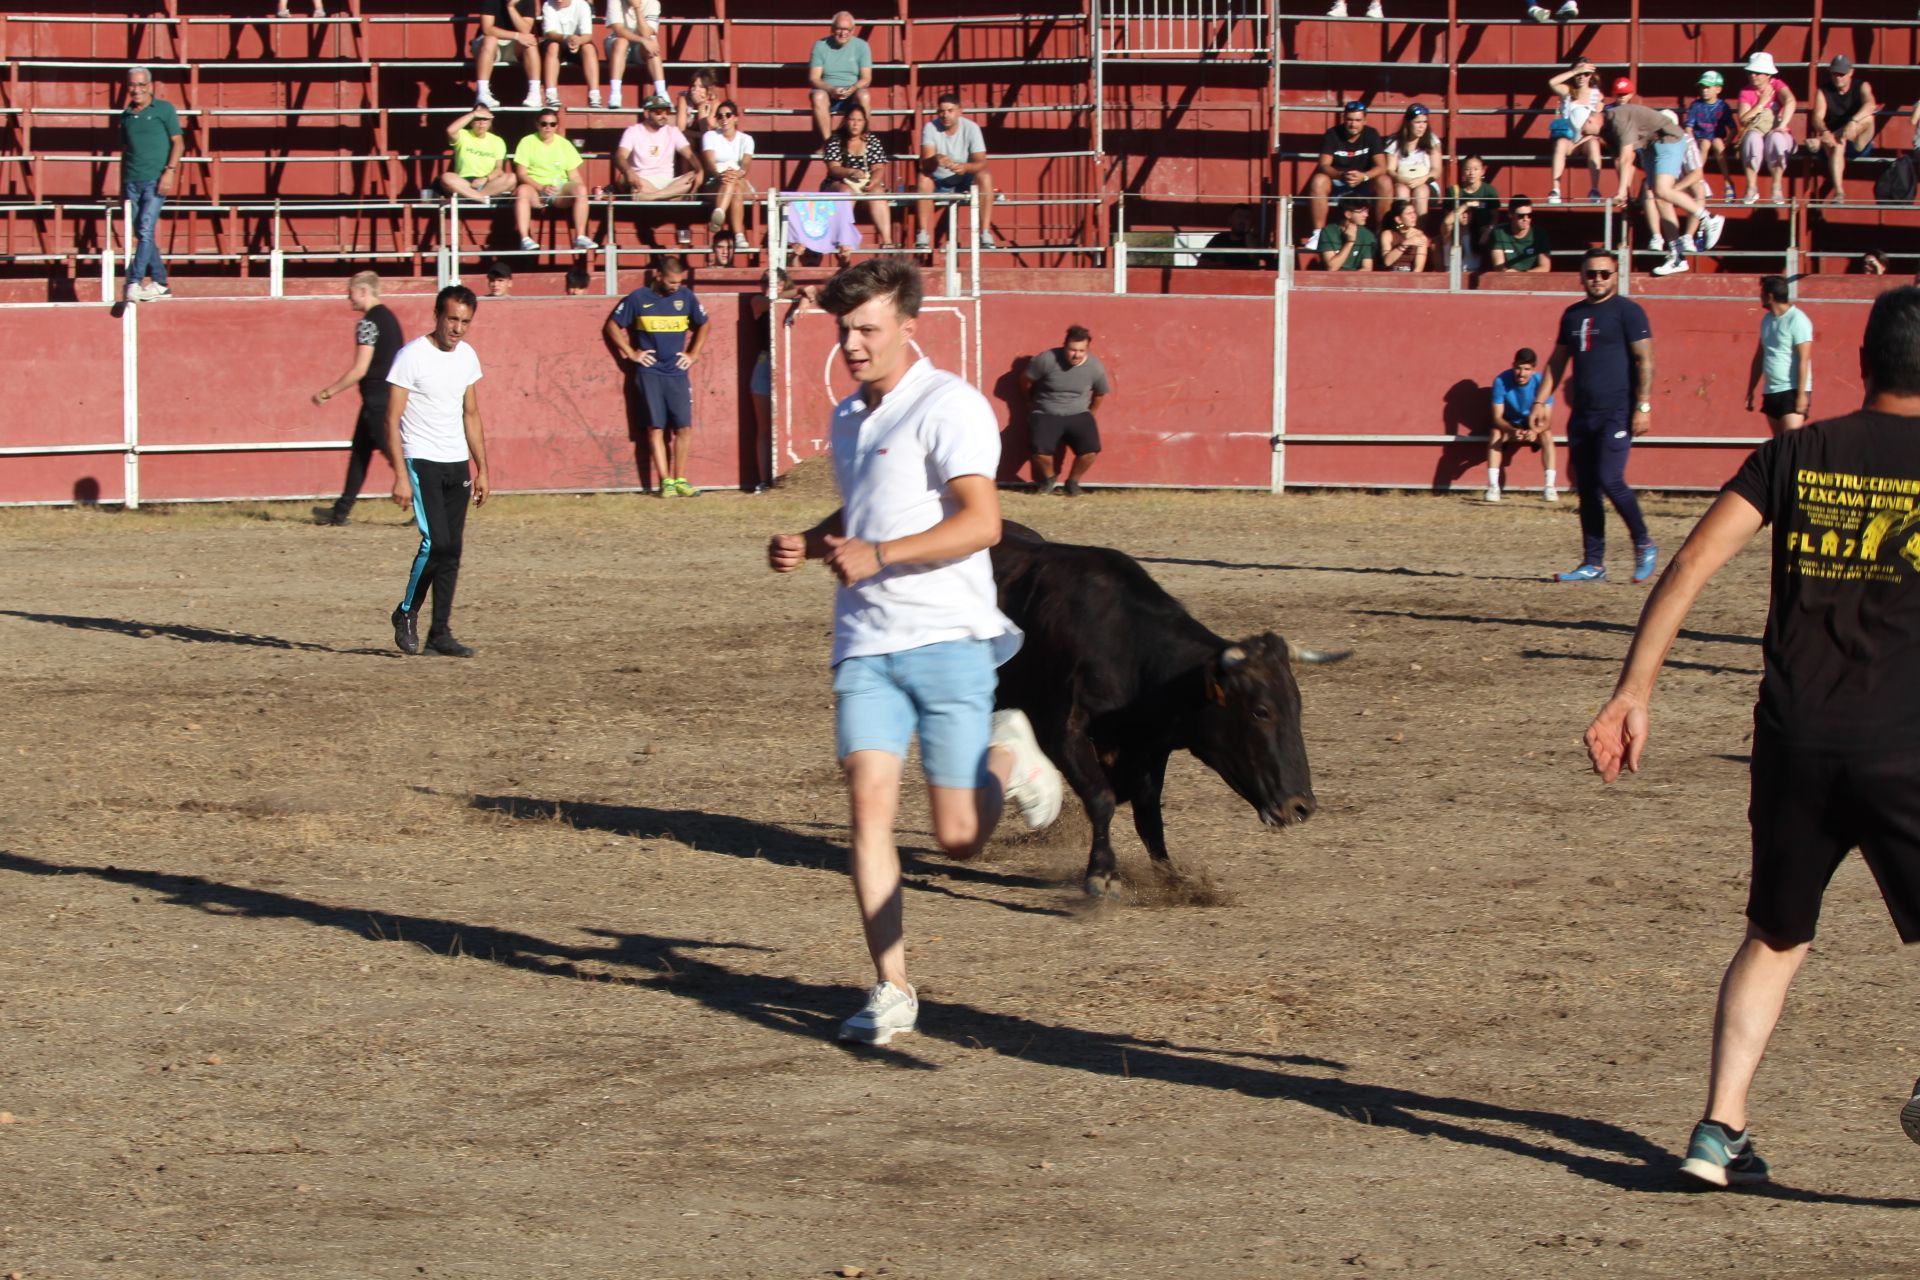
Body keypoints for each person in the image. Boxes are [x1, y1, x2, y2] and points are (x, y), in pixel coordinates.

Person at [1584, 286, 1920, 1191]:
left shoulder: (1798, 452)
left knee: (1775, 935)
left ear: (1861, 364)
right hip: (1906, 746)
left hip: (1796, 740)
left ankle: (1716, 1132)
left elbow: (1690, 564)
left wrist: (1633, 691)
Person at [764, 256, 1064, 1047]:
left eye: (867, 329)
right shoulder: (846, 416)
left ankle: (1013, 757)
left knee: (959, 840)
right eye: (844, 330)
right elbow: (865, 511)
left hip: (947, 638)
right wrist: (814, 538)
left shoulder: (951, 406)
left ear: (908, 327)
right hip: (865, 641)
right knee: (867, 811)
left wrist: (882, 553)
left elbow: (982, 524)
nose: (853, 344)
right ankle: (891, 986)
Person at [1530, 247, 1658, 584]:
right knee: (1586, 487)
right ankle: (1594, 563)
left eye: (1604, 273)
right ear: (1582, 276)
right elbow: (1557, 363)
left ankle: (1644, 542)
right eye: (1591, 273)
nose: (1598, 279)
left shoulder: (1629, 312)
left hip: (1616, 411)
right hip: (1582, 414)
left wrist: (1643, 406)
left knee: (1610, 479)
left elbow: (1645, 360)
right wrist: (1540, 402)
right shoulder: (1572, 315)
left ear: (1616, 275)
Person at [385, 284, 491, 659]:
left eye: (465, 321)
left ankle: (439, 633)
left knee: (453, 550)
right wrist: (399, 473)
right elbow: (391, 418)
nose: (458, 328)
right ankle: (406, 611)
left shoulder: (467, 357)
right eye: (452, 319)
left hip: (455, 462)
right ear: (437, 315)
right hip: (422, 459)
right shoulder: (411, 356)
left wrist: (482, 468)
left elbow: (471, 414)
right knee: (437, 543)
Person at [604, 255, 709, 498]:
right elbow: (612, 326)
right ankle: (666, 482)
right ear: (658, 276)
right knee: (655, 427)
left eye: (680, 282)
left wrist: (693, 353)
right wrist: (631, 353)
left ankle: (681, 478)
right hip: (649, 372)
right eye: (672, 282)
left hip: (676, 371)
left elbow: (705, 323)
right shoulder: (638, 298)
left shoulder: (686, 297)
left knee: (684, 426)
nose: (676, 286)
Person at [310, 271, 405, 527]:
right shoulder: (390, 319)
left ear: (364, 291)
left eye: (350, 292)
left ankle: (426, 508)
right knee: (361, 452)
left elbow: (359, 370)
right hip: (386, 396)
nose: (347, 297)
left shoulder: (368, 323)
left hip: (376, 399)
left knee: (392, 452)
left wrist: (327, 392)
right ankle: (340, 511)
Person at [1607, 100, 1724, 278]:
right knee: (1656, 192)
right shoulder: (1644, 140)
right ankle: (1676, 254)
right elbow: (1626, 161)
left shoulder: (1686, 140)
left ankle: (1707, 219)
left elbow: (1697, 173)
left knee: (1687, 189)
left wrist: (1673, 189)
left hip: (1685, 183)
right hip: (1667, 177)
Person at [748, 270, 818, 492]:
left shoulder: (791, 300)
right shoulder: (758, 301)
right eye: (765, 282)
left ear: (783, 282)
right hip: (765, 362)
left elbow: (814, 291)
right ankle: (763, 480)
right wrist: (801, 293)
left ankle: (786, 480)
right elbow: (770, 301)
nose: (769, 286)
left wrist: (805, 298)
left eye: (774, 282)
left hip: (791, 364)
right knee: (764, 427)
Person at [119, 66, 183, 304]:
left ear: (150, 86)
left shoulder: (164, 110)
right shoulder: (125, 115)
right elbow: (125, 153)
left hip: (155, 179)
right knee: (142, 231)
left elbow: (178, 143)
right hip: (131, 181)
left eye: (141, 85)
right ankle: (161, 282)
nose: (137, 90)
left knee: (146, 229)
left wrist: (169, 172)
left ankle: (134, 281)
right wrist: (120, 188)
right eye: (133, 85)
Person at [1023, 325, 1112, 496]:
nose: (1076, 355)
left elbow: (1100, 393)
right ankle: (1049, 479)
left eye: (1081, 351)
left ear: (1087, 349)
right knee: (1039, 452)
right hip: (1046, 411)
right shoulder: (1047, 359)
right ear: (1064, 345)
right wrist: (1029, 403)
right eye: (1072, 350)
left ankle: (1073, 482)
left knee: (1090, 451)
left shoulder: (1095, 367)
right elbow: (1026, 380)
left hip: (1078, 412)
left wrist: (1090, 414)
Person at [916, 92, 997, 251]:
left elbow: (981, 162)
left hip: (965, 178)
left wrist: (965, 167)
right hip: (938, 180)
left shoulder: (971, 128)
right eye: (941, 111)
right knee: (923, 178)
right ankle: (923, 234)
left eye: (950, 110)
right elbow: (925, 164)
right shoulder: (930, 127)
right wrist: (936, 159)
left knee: (985, 176)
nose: (945, 115)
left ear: (960, 111)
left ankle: (985, 233)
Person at [1304, 102, 1389, 246]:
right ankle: (1318, 234)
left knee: (1385, 181)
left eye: (1357, 120)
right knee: (1318, 180)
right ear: (1344, 118)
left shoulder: (1371, 134)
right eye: (1350, 120)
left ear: (1364, 120)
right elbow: (1324, 165)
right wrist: (1341, 175)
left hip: (1364, 182)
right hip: (1339, 181)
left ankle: (1382, 235)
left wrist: (1364, 176)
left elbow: (1382, 167)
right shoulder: (1332, 134)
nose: (1353, 124)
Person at [514, 109, 598, 252]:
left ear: (557, 126)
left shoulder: (564, 144)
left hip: (559, 190)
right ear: (537, 124)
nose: (548, 127)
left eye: (552, 124)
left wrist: (583, 192)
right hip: (535, 189)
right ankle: (524, 238)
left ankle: (580, 236)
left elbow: (574, 175)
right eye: (544, 123)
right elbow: (521, 173)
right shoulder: (527, 141)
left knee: (580, 189)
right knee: (521, 190)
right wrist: (541, 187)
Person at [1485, 346, 1558, 503]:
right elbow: (1497, 417)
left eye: (1526, 369)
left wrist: (1535, 430)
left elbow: (1547, 421)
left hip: (1533, 422)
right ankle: (1493, 486)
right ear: (1513, 365)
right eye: (1518, 368)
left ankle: (1550, 487)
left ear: (1533, 369)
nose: (1521, 373)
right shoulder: (1501, 381)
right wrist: (1511, 430)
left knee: (1547, 435)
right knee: (1495, 433)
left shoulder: (1542, 383)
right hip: (1509, 423)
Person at [1746, 275, 1813, 435]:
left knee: (1791, 444)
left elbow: (1804, 359)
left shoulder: (1798, 319)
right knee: (1780, 446)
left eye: (1762, 293)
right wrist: (1751, 390)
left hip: (1792, 389)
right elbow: (1760, 356)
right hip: (1771, 390)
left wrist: (1802, 395)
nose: (1759, 296)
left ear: (1770, 296)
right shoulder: (1767, 320)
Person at [825, 103, 896, 251]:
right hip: (839, 182)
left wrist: (873, 182)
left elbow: (878, 167)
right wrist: (850, 172)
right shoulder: (835, 140)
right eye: (852, 119)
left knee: (877, 192)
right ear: (845, 121)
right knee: (846, 192)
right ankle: (844, 241)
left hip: (864, 183)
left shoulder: (872, 141)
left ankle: (887, 241)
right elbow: (833, 169)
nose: (855, 124)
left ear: (865, 122)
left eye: (859, 120)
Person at [1808, 55, 1878, 204]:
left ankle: (1822, 141)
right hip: (1833, 143)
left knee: (1868, 118)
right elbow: (1817, 118)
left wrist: (1852, 122)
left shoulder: (1862, 86)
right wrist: (1825, 132)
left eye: (1842, 74)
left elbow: (1871, 105)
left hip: (1857, 139)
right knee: (1839, 144)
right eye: (1835, 73)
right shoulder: (1824, 91)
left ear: (1851, 72)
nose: (1838, 77)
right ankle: (1839, 192)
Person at [615, 95, 701, 208]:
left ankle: (653, 197)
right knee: (627, 179)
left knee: (692, 177)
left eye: (667, 112)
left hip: (668, 183)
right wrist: (629, 171)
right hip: (643, 181)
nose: (664, 116)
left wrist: (700, 170)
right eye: (659, 112)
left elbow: (690, 154)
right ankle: (672, 197)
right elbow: (620, 156)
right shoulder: (633, 131)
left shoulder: (672, 131)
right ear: (646, 113)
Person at [1736, 52, 1797, 207]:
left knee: (1776, 139)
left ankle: (1776, 187)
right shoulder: (1746, 92)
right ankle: (1751, 187)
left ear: (1768, 74)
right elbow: (1743, 119)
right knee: (1751, 139)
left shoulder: (1778, 85)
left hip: (1777, 132)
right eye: (1751, 72)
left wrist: (1782, 125)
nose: (1753, 75)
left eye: (1757, 72)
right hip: (1756, 131)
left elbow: (1790, 100)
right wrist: (1761, 104)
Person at [1546, 62, 1605, 205]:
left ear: (1591, 76)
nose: (1582, 77)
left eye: (1586, 74)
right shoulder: (1567, 90)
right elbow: (1552, 82)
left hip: (1586, 139)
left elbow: (1598, 122)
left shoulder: (1596, 95)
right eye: (1579, 73)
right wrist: (1574, 71)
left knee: (1594, 144)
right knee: (1560, 144)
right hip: (1568, 137)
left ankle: (1594, 189)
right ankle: (1555, 189)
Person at [809, 12, 873, 143]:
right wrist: (831, 90)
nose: (843, 33)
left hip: (852, 93)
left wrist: (853, 88)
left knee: (864, 95)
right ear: (832, 28)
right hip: (828, 92)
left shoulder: (862, 46)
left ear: (853, 30)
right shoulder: (820, 45)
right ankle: (829, 144)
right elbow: (814, 78)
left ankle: (863, 139)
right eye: (839, 28)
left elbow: (866, 78)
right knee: (818, 96)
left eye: (847, 30)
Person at [702, 100, 755, 253]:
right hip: (715, 180)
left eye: (728, 115)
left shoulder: (746, 139)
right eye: (720, 116)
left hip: (738, 178)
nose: (724, 119)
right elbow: (710, 162)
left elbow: (745, 166)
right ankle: (739, 235)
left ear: (736, 118)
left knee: (734, 181)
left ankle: (719, 212)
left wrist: (735, 174)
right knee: (734, 187)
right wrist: (720, 175)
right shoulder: (710, 136)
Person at [473, 0, 542, 110]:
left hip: (514, 45)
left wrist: (511, 7)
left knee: (531, 42)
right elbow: (487, 29)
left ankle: (534, 93)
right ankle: (482, 93)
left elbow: (526, 29)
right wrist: (516, 35)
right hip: (489, 44)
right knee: (490, 40)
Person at [437, 106, 515, 203]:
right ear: (471, 121)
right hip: (464, 183)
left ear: (490, 122)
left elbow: (499, 169)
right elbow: (450, 131)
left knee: (511, 178)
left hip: (487, 183)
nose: (481, 123)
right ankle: (482, 199)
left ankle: (473, 197)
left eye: (485, 119)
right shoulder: (462, 134)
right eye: (477, 119)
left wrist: (485, 179)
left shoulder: (497, 141)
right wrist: (473, 114)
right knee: (446, 177)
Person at [602, 0, 664, 110]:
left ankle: (662, 93)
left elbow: (646, 33)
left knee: (652, 44)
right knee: (622, 42)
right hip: (616, 44)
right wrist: (642, 40)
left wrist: (637, 9)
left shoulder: (653, 3)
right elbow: (619, 30)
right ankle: (615, 94)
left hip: (639, 48)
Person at [539, 0, 601, 109]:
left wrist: (578, 41)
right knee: (553, 46)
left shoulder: (582, 5)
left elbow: (587, 35)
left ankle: (594, 94)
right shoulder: (548, 5)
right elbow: (550, 33)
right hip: (558, 41)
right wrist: (567, 38)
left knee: (589, 48)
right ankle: (551, 93)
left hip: (577, 42)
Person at [1441, 155, 1499, 271]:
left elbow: (1495, 217)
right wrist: (1466, 205)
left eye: (1475, 169)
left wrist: (1487, 231)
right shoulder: (1453, 192)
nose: (1471, 173)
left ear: (1482, 171)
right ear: (1462, 171)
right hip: (1458, 232)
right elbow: (1447, 220)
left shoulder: (1489, 191)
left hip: (1481, 234)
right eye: (1467, 169)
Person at [1386, 103, 1442, 219]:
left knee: (1421, 192)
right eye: (1417, 122)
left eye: (1424, 122)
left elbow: (1437, 170)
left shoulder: (1432, 140)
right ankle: (1403, 230)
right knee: (1402, 191)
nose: (1422, 126)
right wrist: (1401, 179)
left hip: (1426, 182)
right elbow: (1390, 169)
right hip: (1402, 181)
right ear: (1408, 123)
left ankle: (1419, 232)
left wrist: (1421, 180)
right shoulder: (1395, 141)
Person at [1686, 70, 1737, 199]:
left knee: (1718, 143)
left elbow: (1733, 128)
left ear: (1718, 89)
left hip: (1717, 138)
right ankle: (1699, 179)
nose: (1704, 90)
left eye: (1708, 87)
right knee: (1705, 143)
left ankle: (1727, 181)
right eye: (1702, 87)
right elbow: (1689, 127)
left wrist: (1727, 143)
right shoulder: (1696, 105)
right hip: (1700, 139)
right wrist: (1691, 142)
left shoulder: (1723, 107)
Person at [1488, 196, 1551, 273]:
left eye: (1529, 215)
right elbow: (1498, 266)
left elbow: (1545, 267)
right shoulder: (1499, 233)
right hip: (1507, 279)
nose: (1526, 219)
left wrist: (1522, 275)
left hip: (1533, 279)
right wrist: (1508, 273)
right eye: (1521, 216)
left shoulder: (1539, 233)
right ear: (1510, 214)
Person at [1316, 196, 1376, 271]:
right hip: (1330, 280)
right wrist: (1350, 242)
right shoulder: (1328, 232)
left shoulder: (1367, 235)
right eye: (1362, 212)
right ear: (1348, 214)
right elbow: (1331, 268)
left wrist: (1350, 280)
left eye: (1367, 211)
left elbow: (1367, 268)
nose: (1366, 215)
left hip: (1356, 280)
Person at [1204, 202, 1269, 269]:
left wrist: (1247, 232)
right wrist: (1219, 265)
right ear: (1230, 219)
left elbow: (1253, 256)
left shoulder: (1254, 240)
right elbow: (1202, 262)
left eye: (1247, 217)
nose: (1242, 220)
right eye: (1239, 216)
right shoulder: (1219, 238)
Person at [1378, 199, 1430, 273]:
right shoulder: (1388, 234)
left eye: (1414, 212)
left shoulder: (1420, 237)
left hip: (1410, 276)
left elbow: (1418, 269)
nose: (1413, 216)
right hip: (1390, 275)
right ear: (1399, 219)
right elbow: (1387, 262)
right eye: (1409, 214)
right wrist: (1404, 244)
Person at [677, 68, 722, 145]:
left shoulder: (715, 104)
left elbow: (706, 131)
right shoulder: (684, 99)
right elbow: (680, 129)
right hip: (688, 140)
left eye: (701, 87)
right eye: (693, 86)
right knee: (688, 142)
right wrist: (699, 135)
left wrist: (701, 105)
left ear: (709, 89)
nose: (696, 90)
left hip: (707, 142)